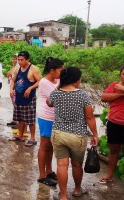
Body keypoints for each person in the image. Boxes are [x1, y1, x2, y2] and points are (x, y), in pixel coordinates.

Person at [48, 67, 98, 200]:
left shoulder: (56, 93)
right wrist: (95, 135)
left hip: (58, 133)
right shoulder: (82, 95)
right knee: (77, 164)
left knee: (61, 165)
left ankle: (63, 196)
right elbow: (90, 118)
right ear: (76, 80)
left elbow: (49, 103)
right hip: (78, 135)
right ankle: (77, 190)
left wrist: (59, 86)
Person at [36, 57, 64, 186]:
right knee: (44, 145)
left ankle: (49, 170)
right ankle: (42, 175)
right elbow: (56, 96)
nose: (62, 72)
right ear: (52, 70)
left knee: (51, 146)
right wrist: (62, 82)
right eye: (60, 70)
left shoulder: (56, 79)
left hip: (55, 117)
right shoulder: (44, 82)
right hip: (46, 117)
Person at [9, 51, 42, 147]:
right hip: (18, 97)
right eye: (18, 59)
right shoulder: (18, 68)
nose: (19, 62)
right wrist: (11, 89)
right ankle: (20, 136)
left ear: (27, 59)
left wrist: (30, 88)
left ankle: (32, 138)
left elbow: (40, 81)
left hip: (29, 98)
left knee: (30, 119)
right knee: (20, 117)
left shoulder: (33, 69)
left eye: (22, 60)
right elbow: (13, 80)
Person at [99, 66, 124, 184]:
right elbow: (104, 97)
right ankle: (109, 175)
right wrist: (121, 94)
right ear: (120, 74)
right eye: (123, 74)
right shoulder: (114, 85)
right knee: (114, 150)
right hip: (114, 122)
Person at [6, 54, 20, 127]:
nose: (14, 60)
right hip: (12, 87)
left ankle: (17, 122)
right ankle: (15, 120)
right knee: (14, 104)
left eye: (16, 59)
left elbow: (9, 74)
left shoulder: (18, 67)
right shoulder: (14, 66)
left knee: (16, 104)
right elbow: (8, 75)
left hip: (16, 88)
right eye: (13, 59)